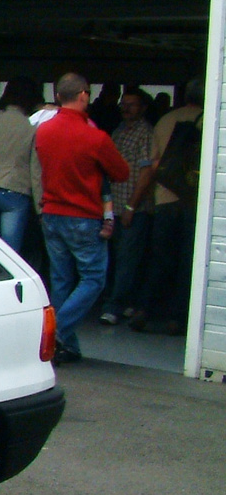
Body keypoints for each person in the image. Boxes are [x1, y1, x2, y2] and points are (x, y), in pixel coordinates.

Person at [33, 73, 129, 365]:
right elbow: (121, 172)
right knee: (94, 279)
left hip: (51, 213)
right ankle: (56, 333)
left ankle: (67, 348)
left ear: (58, 95)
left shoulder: (43, 132)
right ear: (84, 95)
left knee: (61, 279)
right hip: (83, 215)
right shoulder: (95, 137)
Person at [125, 78, 204, 336]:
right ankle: (176, 318)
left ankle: (144, 310)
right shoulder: (210, 118)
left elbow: (152, 166)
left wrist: (134, 203)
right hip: (195, 201)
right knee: (187, 262)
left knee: (159, 258)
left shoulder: (166, 120)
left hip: (164, 199)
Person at [100, 88, 155, 324]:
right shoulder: (119, 131)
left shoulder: (145, 133)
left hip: (134, 207)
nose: (126, 108)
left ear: (143, 108)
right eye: (124, 103)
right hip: (115, 205)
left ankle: (114, 307)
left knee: (127, 260)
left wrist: (132, 207)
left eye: (132, 104)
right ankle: (126, 302)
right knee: (115, 258)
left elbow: (146, 172)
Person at [0, 78, 39, 253]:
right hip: (16, 190)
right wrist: (39, 206)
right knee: (10, 254)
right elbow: (35, 168)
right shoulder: (31, 127)